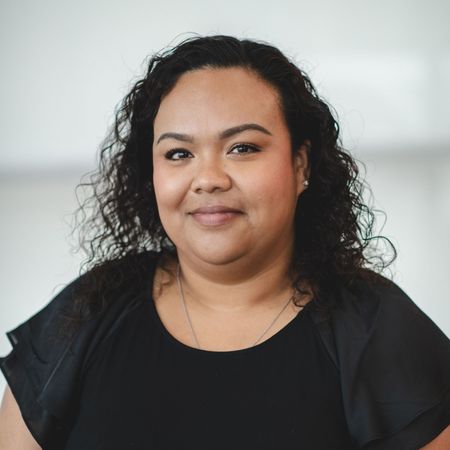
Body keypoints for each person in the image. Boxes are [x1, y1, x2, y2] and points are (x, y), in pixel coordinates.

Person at [0, 34, 449, 450]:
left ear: (300, 164)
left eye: (243, 148)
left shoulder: (376, 329)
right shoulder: (89, 313)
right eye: (178, 154)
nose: (209, 179)